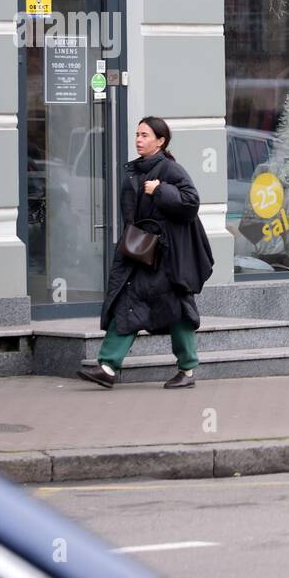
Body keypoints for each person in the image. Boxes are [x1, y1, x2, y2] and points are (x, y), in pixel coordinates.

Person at [78, 116, 214, 390]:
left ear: (161, 141)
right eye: (137, 135)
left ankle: (187, 369)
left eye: (145, 135)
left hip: (165, 258)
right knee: (128, 304)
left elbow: (191, 203)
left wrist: (160, 190)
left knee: (176, 310)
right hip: (141, 252)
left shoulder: (170, 169)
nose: (138, 140)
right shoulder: (136, 170)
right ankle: (107, 366)